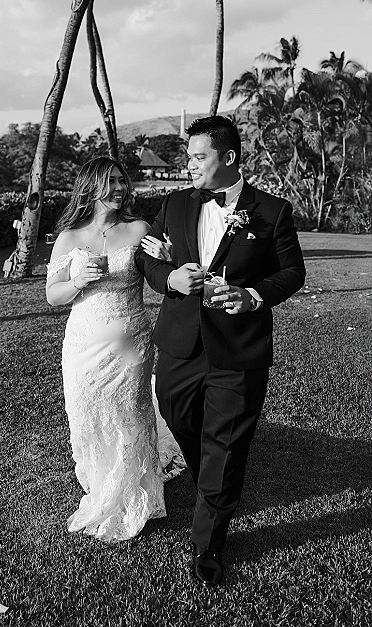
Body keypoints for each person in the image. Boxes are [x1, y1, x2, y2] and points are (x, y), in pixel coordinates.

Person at [136, 116, 306, 586]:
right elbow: (146, 255)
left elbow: (292, 273)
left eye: (197, 157)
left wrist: (253, 296)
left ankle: (207, 541)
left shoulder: (272, 211)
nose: (188, 165)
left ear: (228, 158)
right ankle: (210, 476)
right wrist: (167, 277)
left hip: (239, 348)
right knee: (178, 415)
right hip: (180, 343)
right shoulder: (173, 204)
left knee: (226, 446)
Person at [46, 156, 184, 542]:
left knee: (130, 414)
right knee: (87, 410)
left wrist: (169, 259)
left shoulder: (138, 228)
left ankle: (134, 488)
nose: (121, 188)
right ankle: (99, 480)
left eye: (123, 181)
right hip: (82, 345)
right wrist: (76, 280)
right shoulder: (69, 237)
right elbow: (52, 295)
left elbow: (158, 275)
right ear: (90, 187)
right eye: (111, 182)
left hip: (132, 343)